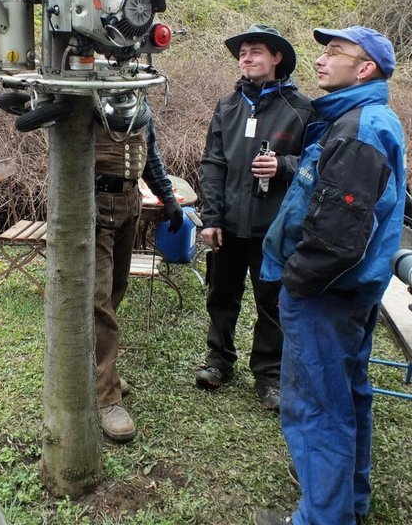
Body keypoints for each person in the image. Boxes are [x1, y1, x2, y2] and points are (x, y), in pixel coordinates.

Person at [255, 26, 407, 525]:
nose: (321, 60)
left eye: (335, 52)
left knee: (317, 409)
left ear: (365, 69)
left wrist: (295, 284)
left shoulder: (361, 129)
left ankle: (322, 519)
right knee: (349, 394)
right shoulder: (357, 120)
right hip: (350, 293)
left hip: (326, 295)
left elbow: (340, 236)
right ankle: (348, 503)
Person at [196, 24, 315, 411]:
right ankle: (218, 361)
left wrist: (282, 165)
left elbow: (321, 163)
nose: (247, 58)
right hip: (228, 224)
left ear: (277, 58)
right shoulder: (228, 106)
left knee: (272, 302)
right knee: (221, 294)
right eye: (243, 52)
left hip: (275, 229)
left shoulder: (302, 109)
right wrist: (210, 217)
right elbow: (213, 163)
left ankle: (268, 375)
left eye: (256, 51)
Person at [95, 105, 183, 442]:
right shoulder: (85, 99)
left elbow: (150, 156)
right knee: (98, 300)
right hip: (92, 204)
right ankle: (106, 397)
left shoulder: (137, 106)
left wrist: (167, 198)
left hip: (128, 202)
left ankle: (102, 373)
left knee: (116, 289)